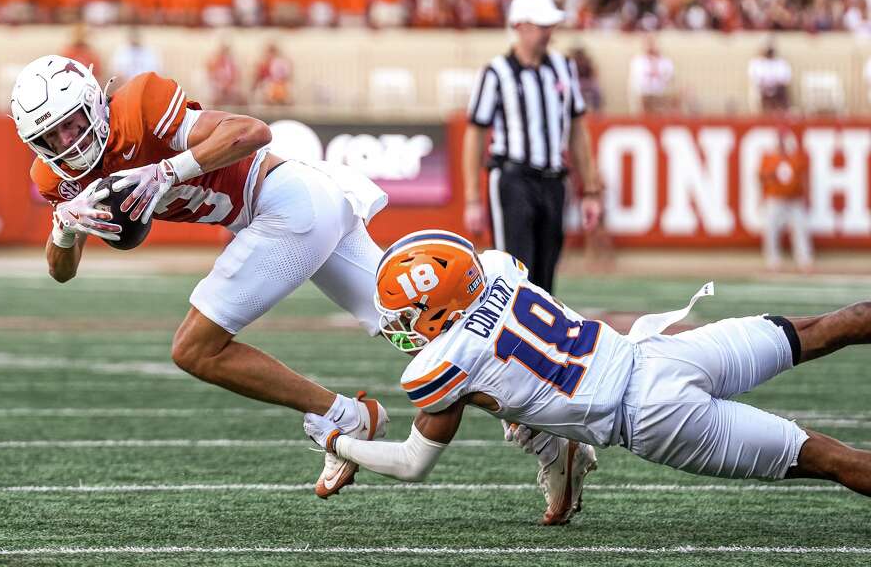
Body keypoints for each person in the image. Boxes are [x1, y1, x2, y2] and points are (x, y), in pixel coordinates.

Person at [8, 55, 391, 498]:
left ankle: (344, 416)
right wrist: (64, 225)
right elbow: (61, 273)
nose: (67, 141)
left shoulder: (139, 106)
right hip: (300, 207)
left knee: (194, 349)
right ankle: (494, 386)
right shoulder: (55, 178)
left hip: (285, 203)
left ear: (93, 100)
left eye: (72, 123)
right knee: (410, 316)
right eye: (51, 135)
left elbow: (253, 132)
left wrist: (167, 170)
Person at [306, 230, 871, 524]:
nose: (404, 330)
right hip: (664, 354)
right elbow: (522, 372)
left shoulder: (445, 364)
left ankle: (551, 445)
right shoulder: (501, 270)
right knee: (833, 326)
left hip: (652, 418)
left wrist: (339, 441)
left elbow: (411, 463)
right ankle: (550, 447)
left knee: (833, 460)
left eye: (406, 317)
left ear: (434, 307)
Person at [464, 0, 602, 295]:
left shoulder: (563, 68)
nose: (548, 33)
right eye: (541, 26)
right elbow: (475, 134)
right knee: (511, 275)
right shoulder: (497, 73)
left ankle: (539, 343)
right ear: (519, 26)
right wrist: (473, 197)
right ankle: (508, 343)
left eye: (549, 25)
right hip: (513, 180)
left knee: (546, 279)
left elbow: (578, 127)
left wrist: (590, 188)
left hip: (553, 180)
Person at [759, 134, 813, 272]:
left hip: (794, 199)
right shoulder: (769, 158)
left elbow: (802, 178)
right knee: (771, 229)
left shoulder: (795, 158)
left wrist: (805, 196)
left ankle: (804, 259)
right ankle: (772, 259)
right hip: (775, 198)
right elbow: (762, 177)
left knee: (800, 228)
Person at [748, 42, 792, 113]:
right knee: (761, 91)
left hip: (778, 88)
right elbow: (754, 77)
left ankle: (782, 112)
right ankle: (765, 113)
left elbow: (786, 78)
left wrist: (775, 84)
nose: (769, 53)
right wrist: (765, 84)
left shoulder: (780, 62)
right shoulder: (756, 63)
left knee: (782, 90)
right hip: (763, 88)